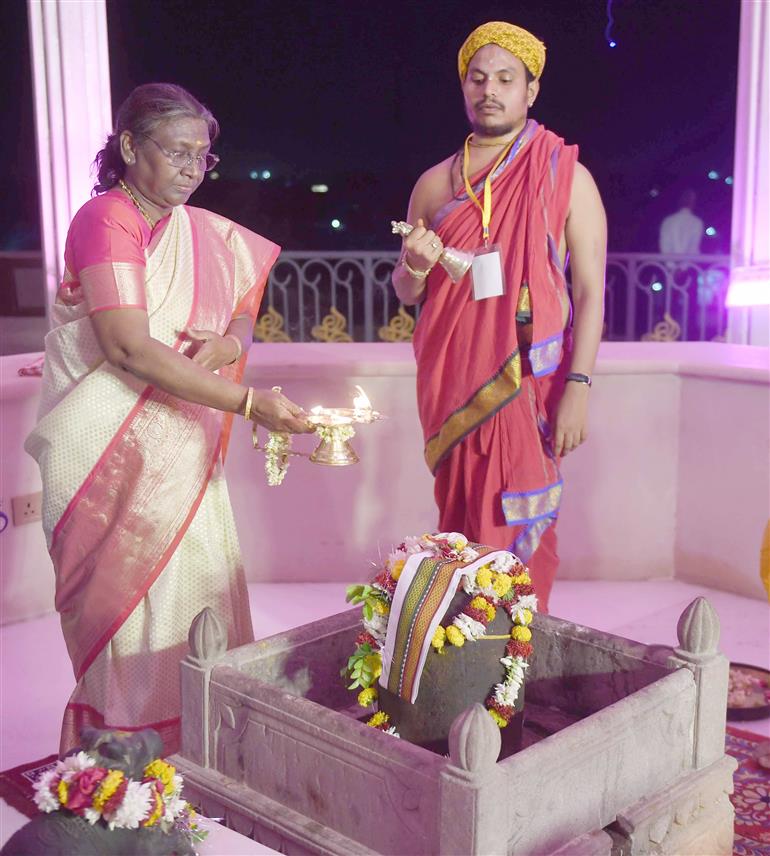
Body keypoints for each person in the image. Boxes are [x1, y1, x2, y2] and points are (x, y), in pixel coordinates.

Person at [24, 83, 312, 755]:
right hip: (104, 450)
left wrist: (235, 344)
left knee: (196, 587)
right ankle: (127, 747)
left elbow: (244, 297)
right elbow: (126, 348)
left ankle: (200, 739)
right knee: (126, 608)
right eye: (177, 151)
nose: (191, 167)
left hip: (180, 442)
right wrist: (249, 401)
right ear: (129, 147)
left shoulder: (195, 231)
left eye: (203, 156)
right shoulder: (107, 219)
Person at [392, 22, 606, 611]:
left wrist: (580, 387)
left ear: (530, 90)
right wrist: (413, 264)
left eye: (506, 79)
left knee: (520, 517)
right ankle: (464, 644)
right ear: (464, 87)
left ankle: (514, 653)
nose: (490, 90)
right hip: (452, 379)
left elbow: (589, 291)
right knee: (460, 521)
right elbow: (409, 291)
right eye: (478, 78)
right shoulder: (434, 185)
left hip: (530, 383)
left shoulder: (565, 175)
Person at [659, 190, 704, 254]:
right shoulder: (697, 222)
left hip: (669, 262)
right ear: (693, 203)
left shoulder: (668, 221)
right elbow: (693, 248)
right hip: (688, 263)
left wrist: (670, 264)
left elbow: (664, 247)